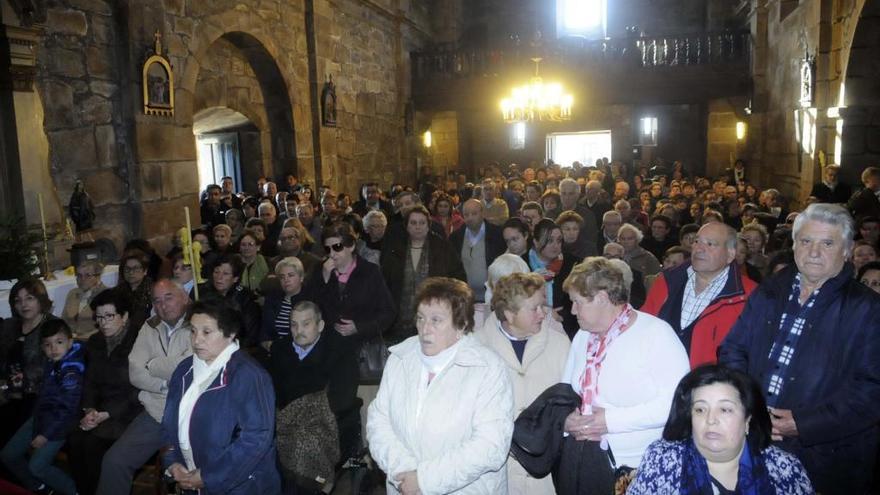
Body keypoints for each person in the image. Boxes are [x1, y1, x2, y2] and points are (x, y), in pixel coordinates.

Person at [719, 203, 880, 493]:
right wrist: (746, 402)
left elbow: (872, 390)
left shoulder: (868, 309)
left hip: (825, 457)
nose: (814, 252)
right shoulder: (769, 290)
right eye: (806, 241)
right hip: (755, 440)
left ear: (846, 250)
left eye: (827, 243)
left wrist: (804, 423)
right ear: (794, 246)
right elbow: (733, 350)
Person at [367, 277, 514, 494]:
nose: (425, 329)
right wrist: (404, 471)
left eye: (436, 320)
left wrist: (424, 480)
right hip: (404, 484)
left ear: (461, 325)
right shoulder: (400, 358)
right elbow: (379, 421)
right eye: (420, 318)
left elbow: (490, 446)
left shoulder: (487, 368)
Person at [559, 257, 689, 494]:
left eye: (577, 302)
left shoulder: (656, 334)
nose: (572, 310)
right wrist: (566, 421)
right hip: (585, 461)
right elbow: (565, 392)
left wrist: (609, 421)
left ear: (601, 298)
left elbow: (677, 404)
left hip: (640, 468)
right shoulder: (583, 337)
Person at [628, 365, 813, 494]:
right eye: (700, 409)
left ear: (748, 419)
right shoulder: (662, 461)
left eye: (725, 410)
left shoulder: (785, 469)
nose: (710, 420)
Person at [162, 300, 280, 494]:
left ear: (231, 333)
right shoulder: (184, 370)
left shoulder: (248, 375)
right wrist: (172, 462)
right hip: (190, 479)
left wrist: (209, 477)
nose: (196, 340)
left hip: (240, 486)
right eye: (193, 331)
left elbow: (257, 437)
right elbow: (168, 423)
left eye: (206, 332)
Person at [476, 272, 570, 494]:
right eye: (534, 308)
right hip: (497, 472)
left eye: (543, 306)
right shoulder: (477, 348)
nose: (543, 314)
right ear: (509, 314)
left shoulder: (560, 344)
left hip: (546, 473)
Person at [96, 279, 193, 495]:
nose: (163, 305)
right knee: (114, 462)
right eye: (157, 300)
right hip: (156, 411)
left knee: (191, 477)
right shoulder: (150, 326)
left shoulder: (199, 323)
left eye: (169, 297)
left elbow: (190, 366)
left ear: (185, 297)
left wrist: (153, 364)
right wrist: (165, 385)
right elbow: (135, 372)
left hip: (192, 414)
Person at [269, 301, 359, 493]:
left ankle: (314, 486)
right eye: (293, 324)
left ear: (320, 325)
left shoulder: (341, 350)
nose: (298, 330)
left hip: (327, 421)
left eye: (306, 324)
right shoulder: (280, 349)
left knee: (304, 447)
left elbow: (343, 398)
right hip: (286, 420)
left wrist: (306, 418)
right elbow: (273, 392)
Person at [642, 222, 757, 368]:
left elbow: (749, 357)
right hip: (655, 378)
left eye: (710, 244)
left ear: (730, 254)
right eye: (697, 241)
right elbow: (643, 326)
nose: (699, 248)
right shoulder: (666, 281)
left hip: (708, 385)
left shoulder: (749, 297)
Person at [67, 289, 142, 495]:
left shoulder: (139, 342)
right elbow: (89, 381)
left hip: (129, 411)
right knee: (74, 438)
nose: (104, 323)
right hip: (99, 409)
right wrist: (89, 409)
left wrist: (105, 414)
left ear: (124, 316)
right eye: (99, 317)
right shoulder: (95, 342)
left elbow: (136, 389)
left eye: (109, 316)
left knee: (92, 444)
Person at [0, 320, 82, 495]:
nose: (53, 348)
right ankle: (40, 487)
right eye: (48, 345)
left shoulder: (72, 370)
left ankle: (75, 491)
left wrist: (44, 435)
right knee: (8, 455)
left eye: (59, 342)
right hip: (41, 416)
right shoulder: (52, 362)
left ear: (70, 341)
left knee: (37, 466)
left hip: (60, 425)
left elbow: (66, 409)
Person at [382, 205, 465, 344]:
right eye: (413, 223)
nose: (417, 227)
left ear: (428, 225)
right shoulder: (395, 249)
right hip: (399, 321)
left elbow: (458, 278)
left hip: (435, 316)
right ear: (406, 226)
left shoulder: (442, 247)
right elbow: (385, 283)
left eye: (422, 223)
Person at [0, 279, 59, 444]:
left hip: (36, 394)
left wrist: (11, 386)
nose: (23, 304)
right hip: (8, 391)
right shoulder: (9, 325)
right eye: (17, 300)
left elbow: (49, 370)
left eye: (29, 298)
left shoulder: (54, 327)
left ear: (41, 299)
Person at [523, 219, 579, 338]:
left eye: (559, 240)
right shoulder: (522, 264)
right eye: (549, 241)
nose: (556, 245)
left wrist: (562, 315)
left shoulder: (573, 264)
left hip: (566, 328)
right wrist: (546, 312)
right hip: (530, 328)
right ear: (536, 242)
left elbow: (578, 300)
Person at [450, 199, 506, 303]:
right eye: (466, 214)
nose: (470, 218)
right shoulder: (455, 237)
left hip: (490, 297)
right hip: (463, 297)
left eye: (474, 213)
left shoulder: (497, 235)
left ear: (483, 213)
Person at [260, 256, 311, 346]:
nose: (286, 280)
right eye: (282, 277)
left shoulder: (310, 300)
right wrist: (267, 343)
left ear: (301, 277)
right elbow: (265, 331)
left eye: (291, 275)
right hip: (273, 349)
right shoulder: (272, 298)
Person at [61, 260, 108, 339]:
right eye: (79, 275)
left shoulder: (106, 295)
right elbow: (63, 321)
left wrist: (79, 339)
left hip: (92, 341)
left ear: (98, 276)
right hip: (68, 340)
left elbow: (104, 328)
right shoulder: (72, 293)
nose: (82, 279)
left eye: (88, 275)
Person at [115, 252, 153, 332]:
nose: (131, 272)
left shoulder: (153, 291)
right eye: (127, 269)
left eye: (136, 268)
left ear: (145, 271)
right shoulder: (118, 291)